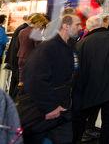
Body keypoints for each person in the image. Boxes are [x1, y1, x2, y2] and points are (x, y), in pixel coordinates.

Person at [21, 14, 81, 144]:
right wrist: (50, 107)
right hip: (46, 111)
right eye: (77, 24)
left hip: (63, 109)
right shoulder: (48, 47)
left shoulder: (69, 46)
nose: (80, 28)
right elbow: (33, 79)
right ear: (66, 26)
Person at [73, 15, 109, 144]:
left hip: (88, 86)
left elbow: (76, 68)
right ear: (101, 24)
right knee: (108, 117)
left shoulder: (81, 43)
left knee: (82, 117)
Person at [17, 13, 49, 84]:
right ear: (38, 22)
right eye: (42, 23)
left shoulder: (22, 31)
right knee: (31, 83)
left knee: (21, 82)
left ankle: (19, 94)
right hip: (30, 59)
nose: (41, 26)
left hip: (20, 58)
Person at [5, 14, 30, 98]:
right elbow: (18, 46)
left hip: (16, 59)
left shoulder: (21, 28)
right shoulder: (24, 30)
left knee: (14, 82)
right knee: (16, 83)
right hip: (17, 60)